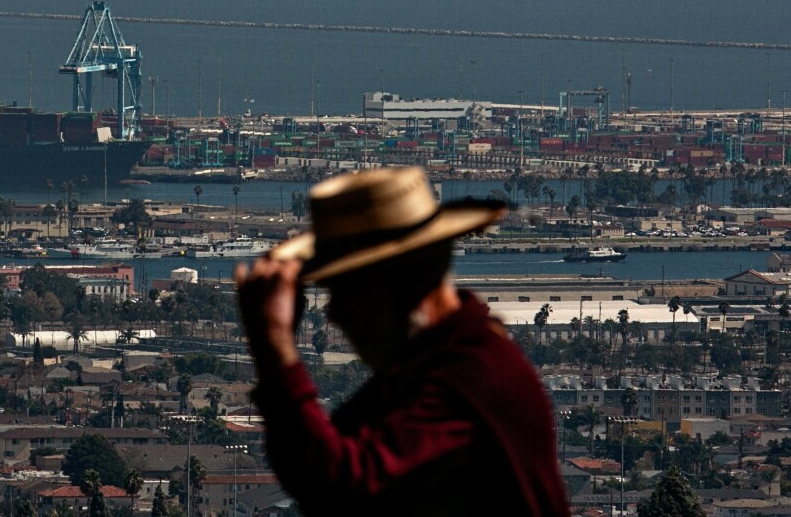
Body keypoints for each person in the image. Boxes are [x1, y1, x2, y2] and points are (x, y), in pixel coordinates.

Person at [235, 166, 569, 517]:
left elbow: (339, 485)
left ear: (408, 280)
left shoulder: (473, 378)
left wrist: (275, 347)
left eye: (348, 291)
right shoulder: (429, 374)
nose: (336, 314)